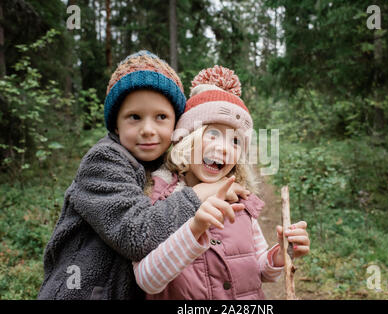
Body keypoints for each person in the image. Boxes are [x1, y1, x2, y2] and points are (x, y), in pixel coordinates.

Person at [37, 51, 247, 300]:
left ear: (176, 126)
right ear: (116, 124)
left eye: (161, 117)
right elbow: (137, 234)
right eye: (134, 117)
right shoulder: (104, 161)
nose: (148, 130)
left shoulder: (167, 167)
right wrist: (200, 194)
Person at [133, 65, 310, 299]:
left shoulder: (241, 202)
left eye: (235, 141)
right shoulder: (160, 198)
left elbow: (257, 269)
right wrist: (193, 229)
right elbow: (147, 281)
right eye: (213, 134)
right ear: (187, 140)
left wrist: (280, 256)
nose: (224, 148)